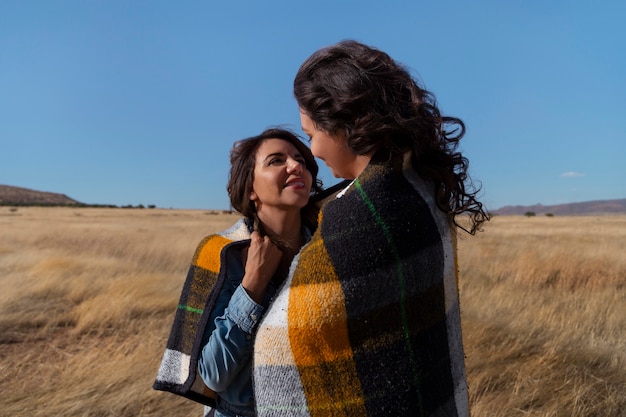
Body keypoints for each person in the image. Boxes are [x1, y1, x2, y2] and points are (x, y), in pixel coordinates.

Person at [251, 40, 490, 416]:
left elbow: (281, 343)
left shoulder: (359, 215)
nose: (311, 153)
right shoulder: (418, 187)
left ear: (341, 124)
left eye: (310, 136)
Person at [153, 128, 324, 417]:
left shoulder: (328, 248)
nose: (296, 166)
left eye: (301, 161)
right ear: (251, 189)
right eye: (276, 161)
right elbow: (213, 375)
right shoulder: (222, 255)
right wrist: (251, 287)